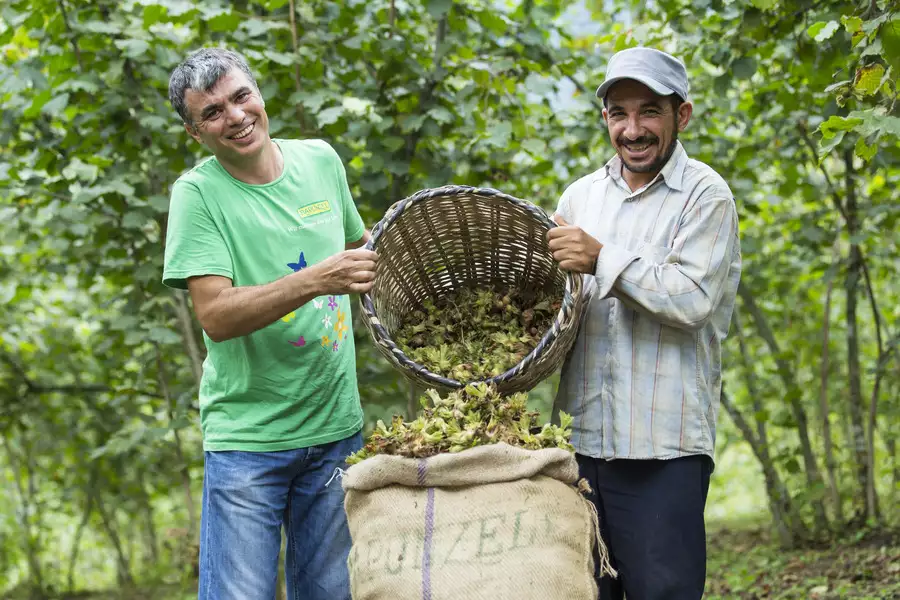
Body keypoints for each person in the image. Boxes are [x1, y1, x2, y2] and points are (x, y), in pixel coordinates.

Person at [162, 47, 378, 600]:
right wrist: (314, 280)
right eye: (212, 113)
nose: (235, 116)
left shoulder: (321, 161)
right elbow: (215, 315)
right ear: (195, 133)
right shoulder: (198, 194)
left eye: (241, 97)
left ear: (258, 94)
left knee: (332, 593)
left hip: (335, 431)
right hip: (249, 441)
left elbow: (363, 253)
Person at [547, 47, 742, 600]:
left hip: (663, 449)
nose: (632, 129)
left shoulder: (706, 196)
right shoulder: (580, 197)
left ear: (681, 115)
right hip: (581, 445)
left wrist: (600, 257)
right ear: (604, 118)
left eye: (649, 112)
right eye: (618, 113)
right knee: (585, 593)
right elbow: (558, 309)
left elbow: (692, 298)